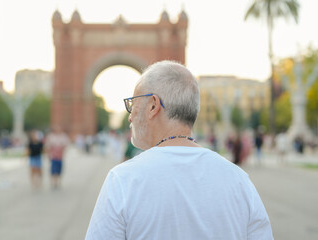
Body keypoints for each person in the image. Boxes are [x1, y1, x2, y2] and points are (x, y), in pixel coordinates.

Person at [85, 60, 273, 239]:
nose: (130, 117)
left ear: (153, 105)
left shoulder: (123, 181)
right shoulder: (238, 180)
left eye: (133, 104)